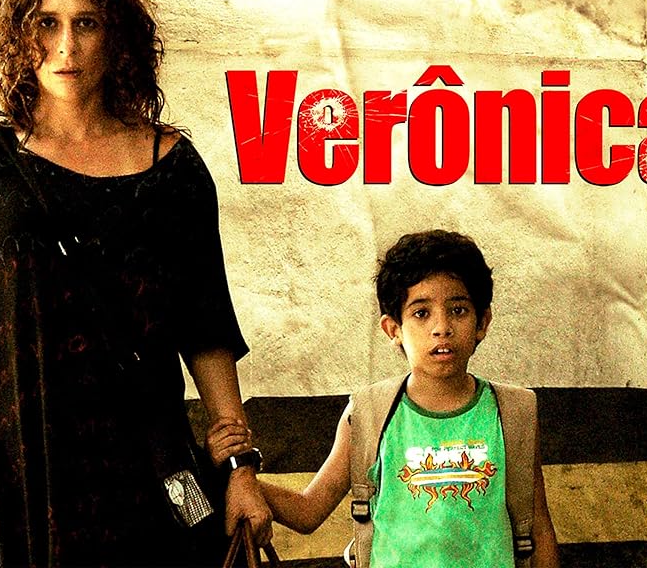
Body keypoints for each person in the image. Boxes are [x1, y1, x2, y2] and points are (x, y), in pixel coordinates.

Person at [0, 0, 271, 565]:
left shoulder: (173, 168)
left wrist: (242, 470)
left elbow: (207, 329)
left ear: (116, 35)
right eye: (47, 22)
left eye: (87, 23)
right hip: (23, 471)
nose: (66, 45)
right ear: (20, 33)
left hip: (146, 473)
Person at [207, 230, 559, 568]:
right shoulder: (368, 415)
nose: (441, 328)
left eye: (458, 310)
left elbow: (539, 528)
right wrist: (237, 479)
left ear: (482, 322)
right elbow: (307, 511)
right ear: (394, 330)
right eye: (421, 313)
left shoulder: (513, 412)